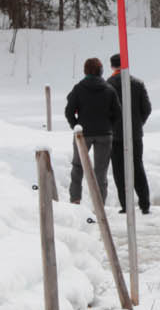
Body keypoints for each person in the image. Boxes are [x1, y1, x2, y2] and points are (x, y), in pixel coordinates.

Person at [65, 57, 122, 207]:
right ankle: (99, 205)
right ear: (101, 71)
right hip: (104, 134)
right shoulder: (109, 89)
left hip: (83, 134)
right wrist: (109, 126)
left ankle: (75, 200)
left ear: (85, 71)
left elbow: (69, 111)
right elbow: (118, 113)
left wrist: (76, 126)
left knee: (78, 166)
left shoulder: (78, 89)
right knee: (100, 172)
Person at [108, 52, 153, 214]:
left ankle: (126, 204)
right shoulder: (138, 84)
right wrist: (138, 123)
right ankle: (145, 204)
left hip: (115, 135)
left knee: (119, 170)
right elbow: (147, 108)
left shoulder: (108, 85)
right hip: (135, 134)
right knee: (137, 167)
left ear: (112, 66)